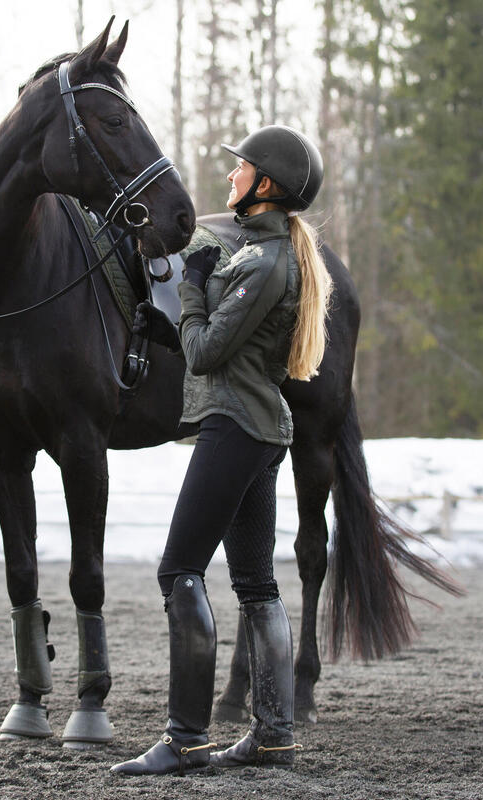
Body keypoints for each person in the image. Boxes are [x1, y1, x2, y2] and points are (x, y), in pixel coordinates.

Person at [111, 125, 333, 776]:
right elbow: (215, 344)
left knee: (179, 572)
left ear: (266, 187)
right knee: (256, 585)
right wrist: (192, 304)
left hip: (234, 426)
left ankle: (185, 739)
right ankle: (272, 735)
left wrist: (191, 289)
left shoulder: (263, 264)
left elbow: (207, 353)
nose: (231, 175)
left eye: (242, 169)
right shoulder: (267, 258)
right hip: (257, 427)